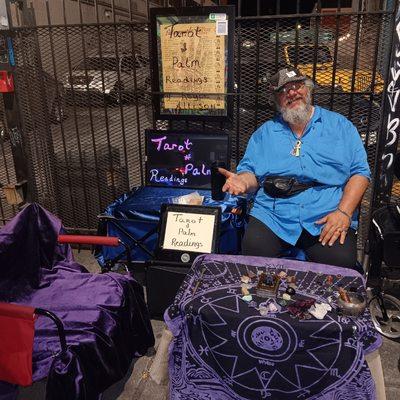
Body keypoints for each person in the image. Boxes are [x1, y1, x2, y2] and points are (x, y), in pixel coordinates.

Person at [219, 67, 370, 269]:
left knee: (341, 263)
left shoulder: (341, 127)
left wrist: (343, 213)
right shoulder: (265, 133)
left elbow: (360, 173)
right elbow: (252, 174)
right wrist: (243, 181)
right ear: (276, 100)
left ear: (308, 90)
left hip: (325, 214)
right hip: (274, 215)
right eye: (283, 91)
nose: (291, 93)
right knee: (253, 258)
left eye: (297, 86)